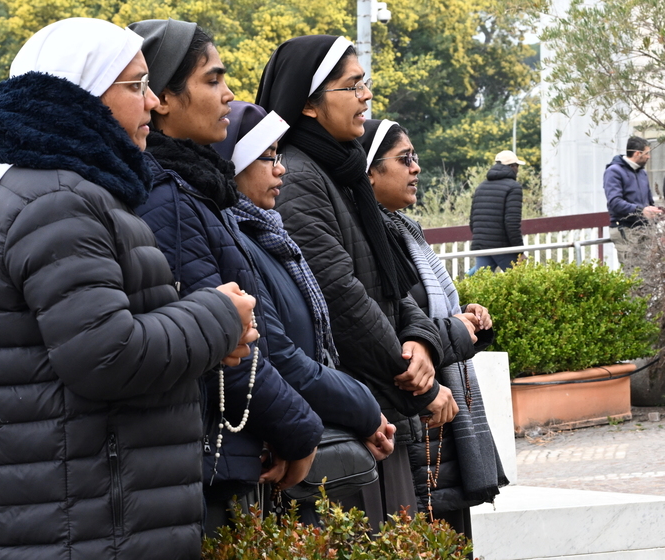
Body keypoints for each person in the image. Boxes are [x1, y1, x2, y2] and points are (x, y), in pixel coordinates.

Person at [0, 18, 260, 560]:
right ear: (81, 96)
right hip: (89, 527)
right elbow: (108, 354)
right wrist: (218, 316)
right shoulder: (59, 202)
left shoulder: (62, 191)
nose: (154, 102)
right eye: (135, 85)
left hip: (82, 516)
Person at [127, 18, 322, 533]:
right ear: (162, 98)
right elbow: (227, 346)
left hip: (220, 451)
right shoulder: (167, 198)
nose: (229, 94)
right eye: (212, 80)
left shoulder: (193, 188)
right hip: (212, 458)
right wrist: (300, 432)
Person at [256, 34, 458, 519]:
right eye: (352, 86)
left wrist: (421, 341)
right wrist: (418, 382)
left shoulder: (341, 172)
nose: (366, 95)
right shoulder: (301, 178)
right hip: (353, 410)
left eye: (364, 83)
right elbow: (341, 297)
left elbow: (389, 284)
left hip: (378, 398)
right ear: (309, 104)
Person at [213, 101, 397, 522]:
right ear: (235, 165)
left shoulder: (271, 237)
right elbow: (280, 356)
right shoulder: (238, 241)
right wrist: (365, 407)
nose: (281, 170)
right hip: (274, 453)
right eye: (268, 157)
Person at [362, 119, 508, 551]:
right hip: (417, 416)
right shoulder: (373, 240)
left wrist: (468, 321)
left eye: (416, 158)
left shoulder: (406, 229)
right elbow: (399, 330)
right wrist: (458, 331)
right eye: (404, 159)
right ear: (370, 171)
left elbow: (427, 316)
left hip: (440, 416)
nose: (416, 168)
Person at [603, 136, 663, 272]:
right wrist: (641, 211)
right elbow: (614, 202)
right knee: (634, 275)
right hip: (626, 229)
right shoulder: (614, 171)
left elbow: (648, 201)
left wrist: (653, 214)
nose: (649, 157)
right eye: (647, 153)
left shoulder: (642, 173)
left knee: (649, 272)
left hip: (646, 229)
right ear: (637, 153)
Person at [467, 150, 526, 275]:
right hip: (503, 247)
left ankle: (455, 289)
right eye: (517, 165)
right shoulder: (513, 187)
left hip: (482, 245)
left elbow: (473, 221)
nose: (518, 169)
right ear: (511, 166)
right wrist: (520, 251)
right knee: (523, 282)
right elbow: (512, 223)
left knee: (478, 282)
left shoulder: (481, 186)